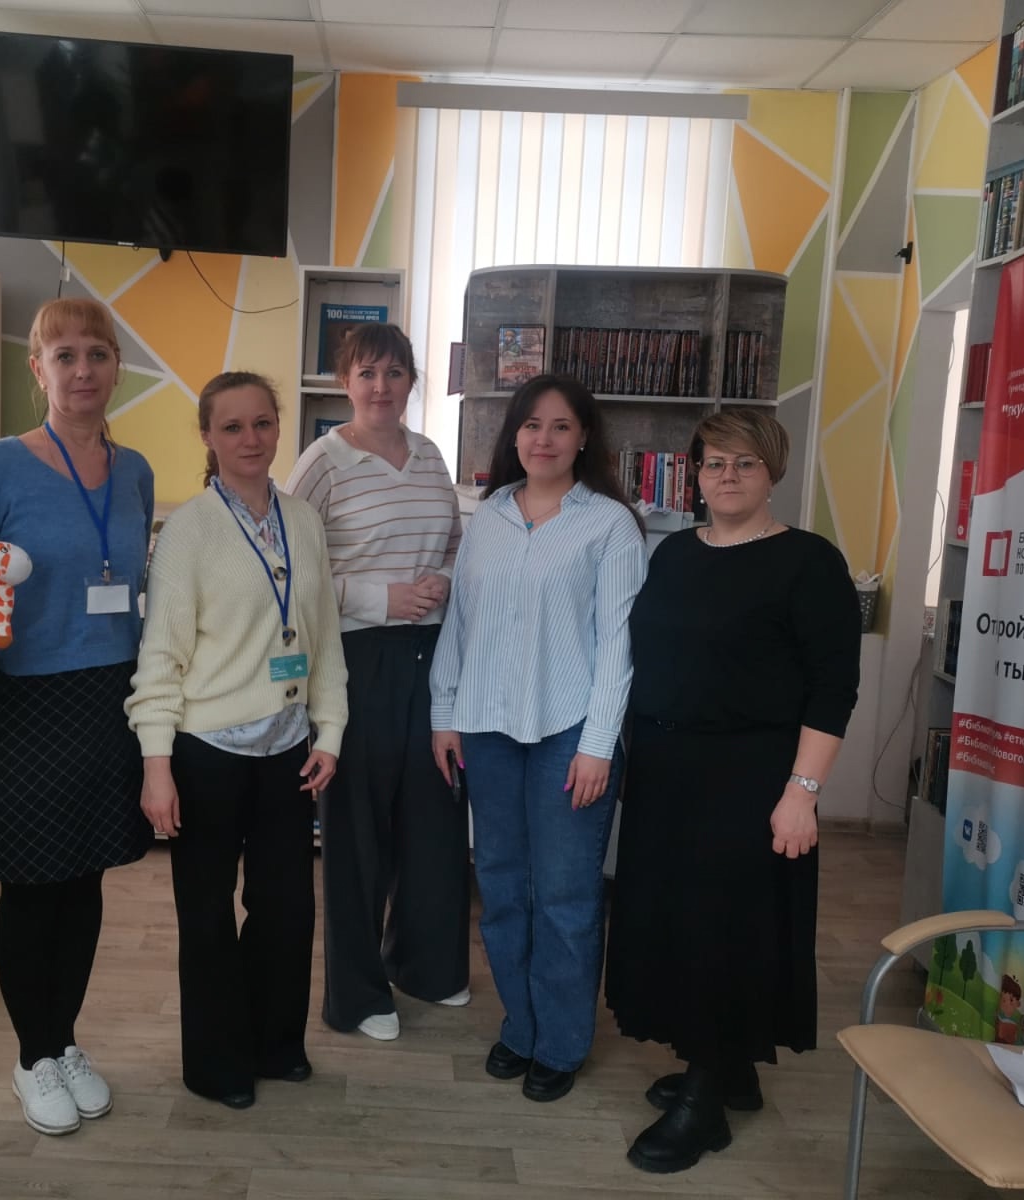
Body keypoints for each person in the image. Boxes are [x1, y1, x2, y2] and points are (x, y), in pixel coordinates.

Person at [604, 408, 860, 1175]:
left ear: (772, 470)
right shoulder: (675, 553)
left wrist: (802, 792)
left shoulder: (809, 563)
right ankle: (727, 1068)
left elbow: (833, 689)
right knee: (676, 925)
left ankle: (705, 1104)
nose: (727, 476)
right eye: (714, 462)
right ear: (696, 473)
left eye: (744, 462)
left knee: (725, 932)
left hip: (751, 776)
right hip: (665, 771)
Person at [0, 298, 155, 1137]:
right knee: (31, 886)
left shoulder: (135, 471)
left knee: (84, 879)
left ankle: (65, 1040)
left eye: (97, 354)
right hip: (24, 699)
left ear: (116, 368)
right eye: (64, 355)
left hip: (109, 698)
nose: (82, 370)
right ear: (38, 370)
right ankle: (33, 1056)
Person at [126, 371, 347, 1110]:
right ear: (207, 437)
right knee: (207, 915)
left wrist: (330, 731)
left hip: (289, 750)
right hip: (206, 753)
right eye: (232, 427)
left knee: (287, 910)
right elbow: (160, 658)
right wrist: (157, 767)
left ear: (279, 428)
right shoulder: (188, 531)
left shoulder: (302, 521)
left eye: (262, 423)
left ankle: (275, 1044)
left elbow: (324, 640)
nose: (250, 439)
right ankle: (216, 1064)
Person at [429, 374, 646, 1104]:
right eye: (531, 425)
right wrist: (444, 714)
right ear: (513, 436)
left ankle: (560, 1042)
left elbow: (618, 646)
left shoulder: (610, 526)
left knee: (565, 896)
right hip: (486, 728)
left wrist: (598, 744)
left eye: (560, 426)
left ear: (584, 438)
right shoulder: (487, 516)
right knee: (500, 889)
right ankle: (520, 1026)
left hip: (570, 735)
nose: (543, 439)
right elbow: (461, 624)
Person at [285, 324, 469, 1043]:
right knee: (357, 833)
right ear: (345, 383)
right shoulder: (322, 462)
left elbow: (455, 545)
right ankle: (358, 995)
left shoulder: (429, 456)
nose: (381, 387)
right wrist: (379, 597)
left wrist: (439, 582)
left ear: (411, 381)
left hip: (432, 655)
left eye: (395, 372)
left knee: (433, 817)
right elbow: (290, 567)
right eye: (366, 373)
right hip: (355, 659)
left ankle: (426, 966)